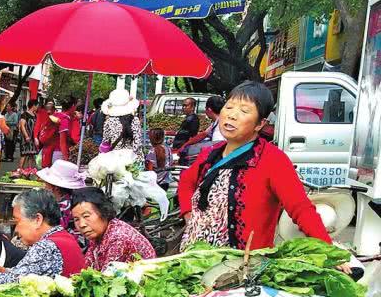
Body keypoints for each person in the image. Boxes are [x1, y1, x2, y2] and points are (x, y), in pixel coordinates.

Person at [178, 81, 333, 251]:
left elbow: (301, 208)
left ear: (260, 124)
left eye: (244, 111)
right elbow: (186, 180)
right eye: (229, 107)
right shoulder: (209, 153)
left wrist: (328, 248)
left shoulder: (272, 160)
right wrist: (188, 214)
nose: (232, 115)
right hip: (194, 258)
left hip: (239, 267)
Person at [0, 189, 85, 283]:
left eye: (17, 222)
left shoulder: (47, 246)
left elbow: (13, 284)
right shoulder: (62, 237)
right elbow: (18, 275)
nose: (16, 230)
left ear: (37, 219)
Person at [71, 187, 156, 270]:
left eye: (86, 216)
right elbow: (88, 268)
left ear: (103, 212)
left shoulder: (118, 237)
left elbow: (107, 279)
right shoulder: (98, 235)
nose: (82, 224)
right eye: (76, 219)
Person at [35, 159, 86, 230]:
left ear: (55, 188)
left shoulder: (64, 206)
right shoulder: (71, 199)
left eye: (47, 184)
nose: (45, 187)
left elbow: (57, 228)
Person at [179, 95, 225, 166]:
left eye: (205, 108)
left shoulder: (219, 128)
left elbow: (217, 147)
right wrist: (185, 145)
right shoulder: (217, 122)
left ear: (209, 110)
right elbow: (203, 134)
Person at [100, 87, 145, 160]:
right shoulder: (135, 120)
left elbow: (105, 141)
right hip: (132, 160)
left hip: (116, 159)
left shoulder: (108, 121)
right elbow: (138, 141)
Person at [35, 99, 61, 169]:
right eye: (47, 109)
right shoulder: (44, 117)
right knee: (45, 163)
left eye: (50, 109)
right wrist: (36, 137)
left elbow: (58, 121)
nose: (48, 111)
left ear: (53, 110)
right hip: (45, 143)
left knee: (48, 164)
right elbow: (38, 126)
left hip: (52, 144)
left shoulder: (55, 117)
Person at [17, 99, 40, 170]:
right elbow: (22, 125)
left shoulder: (35, 115)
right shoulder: (24, 114)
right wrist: (26, 136)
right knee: (24, 154)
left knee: (31, 155)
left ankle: (29, 171)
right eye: (37, 106)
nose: (37, 107)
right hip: (26, 138)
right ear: (33, 105)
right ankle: (20, 170)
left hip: (33, 138)